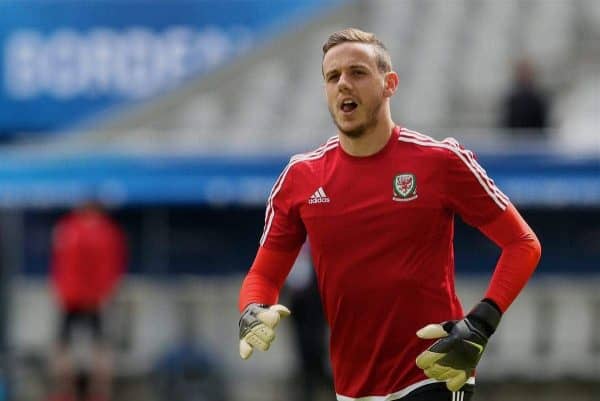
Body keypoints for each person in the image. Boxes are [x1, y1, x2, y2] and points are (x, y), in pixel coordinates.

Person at [238, 28, 541, 401]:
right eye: (333, 77)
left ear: (389, 83)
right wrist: (251, 310)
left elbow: (522, 243)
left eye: (358, 72)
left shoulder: (440, 161)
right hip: (352, 387)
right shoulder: (300, 178)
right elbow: (264, 274)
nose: (344, 84)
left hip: (433, 373)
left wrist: (480, 324)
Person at [49, 201, 127, 401]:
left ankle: (87, 392)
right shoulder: (80, 229)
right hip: (81, 296)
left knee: (91, 346)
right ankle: (82, 392)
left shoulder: (77, 229)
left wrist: (62, 289)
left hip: (82, 296)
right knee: (76, 345)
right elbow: (61, 261)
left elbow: (111, 264)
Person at [499, 59, 550, 136]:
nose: (524, 75)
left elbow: (543, 126)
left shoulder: (539, 99)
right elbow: (506, 125)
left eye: (526, 72)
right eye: (522, 72)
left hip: (535, 141)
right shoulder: (511, 99)